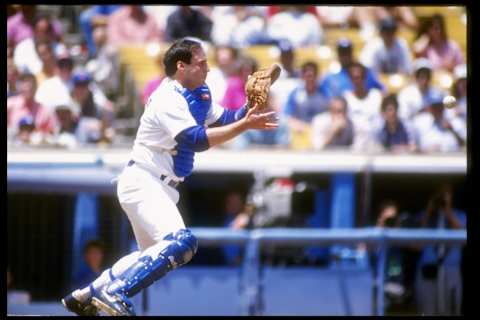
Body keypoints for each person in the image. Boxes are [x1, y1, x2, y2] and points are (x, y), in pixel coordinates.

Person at [61, 38, 278, 316]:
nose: (207, 69)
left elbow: (225, 118)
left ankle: (86, 294)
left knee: (148, 256)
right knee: (182, 242)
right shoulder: (168, 97)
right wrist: (245, 126)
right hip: (144, 179)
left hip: (159, 186)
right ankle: (116, 292)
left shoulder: (198, 93)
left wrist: (247, 110)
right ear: (181, 65)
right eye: (201, 64)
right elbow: (195, 139)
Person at [319, 38, 384, 100]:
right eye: (342, 53)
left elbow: (381, 90)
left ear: (352, 53)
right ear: (338, 54)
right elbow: (324, 96)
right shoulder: (330, 76)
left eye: (347, 52)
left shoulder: (364, 72)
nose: (345, 56)